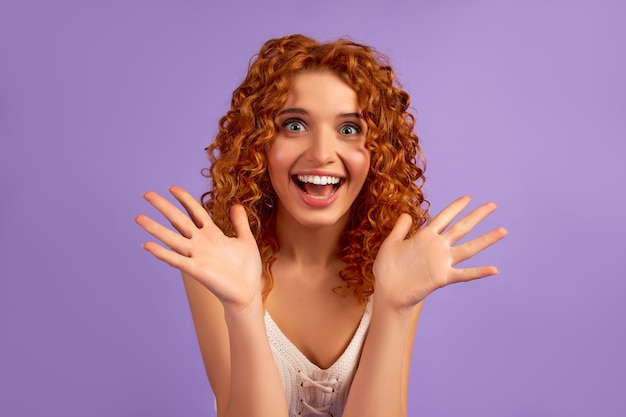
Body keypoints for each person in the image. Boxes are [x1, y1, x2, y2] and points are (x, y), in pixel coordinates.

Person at [135, 34, 507, 417]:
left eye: (349, 130)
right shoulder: (217, 266)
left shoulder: (398, 268)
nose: (321, 154)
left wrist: (395, 306)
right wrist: (242, 307)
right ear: (257, 144)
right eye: (295, 125)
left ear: (378, 152)